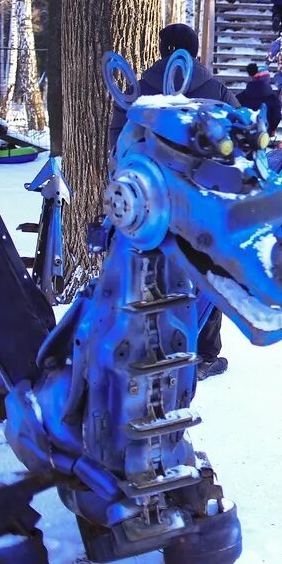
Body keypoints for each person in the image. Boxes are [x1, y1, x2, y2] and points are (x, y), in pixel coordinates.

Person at [106, 23, 238, 382]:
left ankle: (145, 347)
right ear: (194, 51)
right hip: (201, 199)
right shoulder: (216, 89)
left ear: (162, 48)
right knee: (207, 271)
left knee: (147, 270)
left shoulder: (139, 89)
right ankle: (203, 354)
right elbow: (237, 141)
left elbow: (118, 141)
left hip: (148, 201)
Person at [237, 62, 282, 139]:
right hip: (263, 134)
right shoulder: (272, 98)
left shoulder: (241, 96)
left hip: (243, 132)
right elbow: (276, 116)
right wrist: (272, 130)